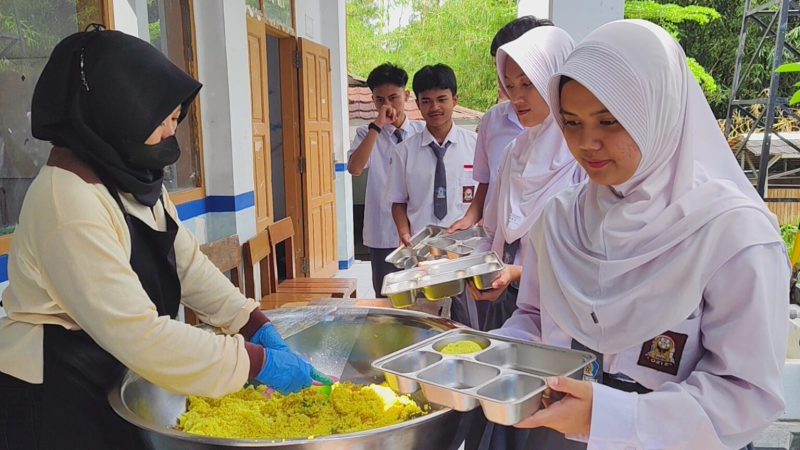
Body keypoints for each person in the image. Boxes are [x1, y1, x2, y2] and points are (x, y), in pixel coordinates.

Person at [0, 29, 323, 450]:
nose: (172, 134)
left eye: (175, 119)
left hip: (112, 366)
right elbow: (139, 333)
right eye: (163, 121)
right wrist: (254, 363)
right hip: (58, 391)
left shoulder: (129, 175)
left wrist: (250, 321)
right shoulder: (67, 201)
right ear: (118, 113)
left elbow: (186, 264)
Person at [488, 20, 788, 449]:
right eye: (571, 122)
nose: (587, 142)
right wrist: (484, 356)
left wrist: (610, 418)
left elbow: (746, 394)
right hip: (556, 434)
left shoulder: (731, 234)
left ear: (660, 113)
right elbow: (534, 319)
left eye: (609, 121)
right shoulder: (558, 218)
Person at [387, 63, 477, 323]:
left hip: (465, 251)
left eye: (442, 100)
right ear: (417, 103)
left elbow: (485, 196)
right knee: (424, 324)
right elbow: (398, 202)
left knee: (467, 322)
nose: (435, 108)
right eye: (426, 101)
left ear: (455, 100)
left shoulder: (475, 147)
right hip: (422, 254)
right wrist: (404, 233)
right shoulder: (404, 152)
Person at [448, 15, 553, 235]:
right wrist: (470, 217)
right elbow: (487, 182)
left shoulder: (572, 136)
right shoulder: (492, 121)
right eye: (501, 68)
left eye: (525, 81)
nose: (504, 79)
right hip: (499, 242)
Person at [348, 63, 424, 298]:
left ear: (407, 96)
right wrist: (377, 127)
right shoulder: (366, 133)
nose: (387, 106)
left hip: (418, 232)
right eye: (380, 100)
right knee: (387, 300)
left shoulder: (422, 132)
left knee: (423, 300)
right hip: (382, 232)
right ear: (372, 100)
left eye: (394, 97)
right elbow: (355, 168)